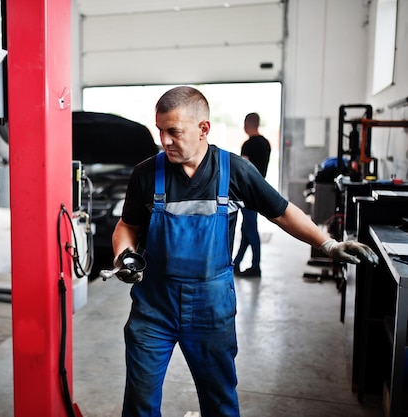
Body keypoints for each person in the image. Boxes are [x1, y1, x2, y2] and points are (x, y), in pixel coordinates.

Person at [110, 86, 378, 417]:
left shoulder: (235, 171)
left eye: (173, 131)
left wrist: (328, 244)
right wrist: (124, 255)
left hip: (210, 309)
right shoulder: (146, 173)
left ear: (203, 128)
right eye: (160, 130)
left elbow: (282, 212)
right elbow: (128, 226)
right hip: (153, 309)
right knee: (139, 403)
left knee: (220, 401)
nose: (164, 140)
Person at [232, 112, 272, 278]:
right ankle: (236, 263)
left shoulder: (248, 145)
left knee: (250, 229)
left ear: (248, 124)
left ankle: (256, 267)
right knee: (247, 228)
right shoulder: (266, 143)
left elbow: (243, 169)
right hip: (258, 189)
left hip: (247, 192)